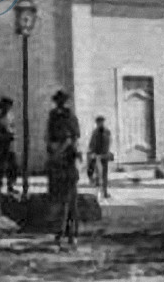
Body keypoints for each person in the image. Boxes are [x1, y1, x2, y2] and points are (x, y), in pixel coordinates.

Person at [45, 89, 81, 248]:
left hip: (67, 162)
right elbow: (48, 137)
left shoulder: (70, 116)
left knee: (70, 201)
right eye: (57, 100)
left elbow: (73, 138)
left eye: (62, 100)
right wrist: (52, 151)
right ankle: (58, 234)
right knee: (56, 200)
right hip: (55, 163)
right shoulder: (52, 116)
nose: (59, 103)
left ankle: (72, 234)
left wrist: (63, 150)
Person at [0, 97, 18, 197]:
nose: (6, 108)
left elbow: (13, 129)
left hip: (10, 146)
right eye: (4, 106)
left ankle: (11, 186)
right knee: (0, 167)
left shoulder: (11, 117)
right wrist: (3, 136)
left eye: (8, 106)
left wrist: (12, 135)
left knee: (13, 166)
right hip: (1, 146)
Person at [87, 116, 113, 199]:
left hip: (104, 155)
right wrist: (92, 153)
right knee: (98, 174)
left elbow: (109, 143)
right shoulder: (95, 133)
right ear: (97, 123)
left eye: (101, 122)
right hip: (97, 155)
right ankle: (98, 192)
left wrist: (108, 152)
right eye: (99, 122)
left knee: (104, 174)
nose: (100, 124)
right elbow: (91, 144)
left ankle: (104, 192)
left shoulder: (107, 132)